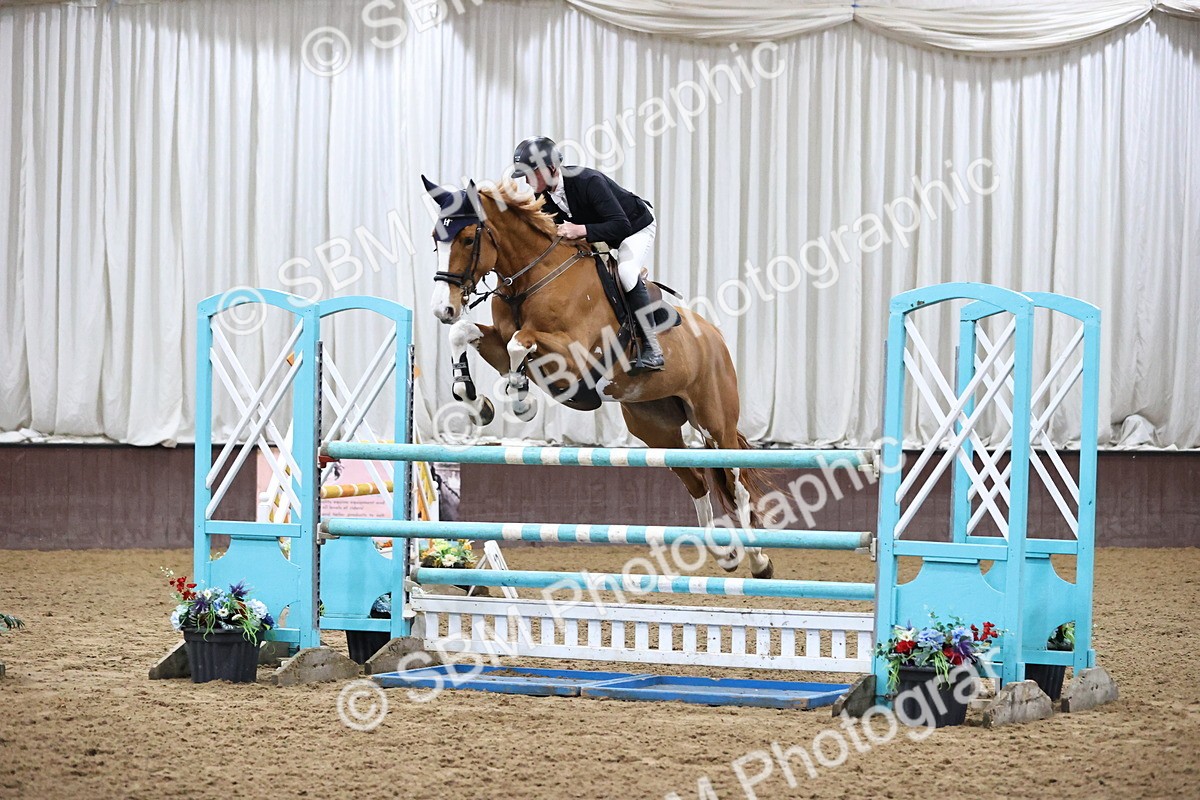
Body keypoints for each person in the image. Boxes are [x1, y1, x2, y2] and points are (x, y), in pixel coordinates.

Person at [510, 136, 664, 372]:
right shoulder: (542, 197)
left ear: (551, 168)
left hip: (635, 228)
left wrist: (580, 230)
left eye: (532, 174)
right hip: (602, 235)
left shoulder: (588, 181)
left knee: (626, 272)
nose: (527, 181)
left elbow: (621, 225)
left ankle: (653, 348)